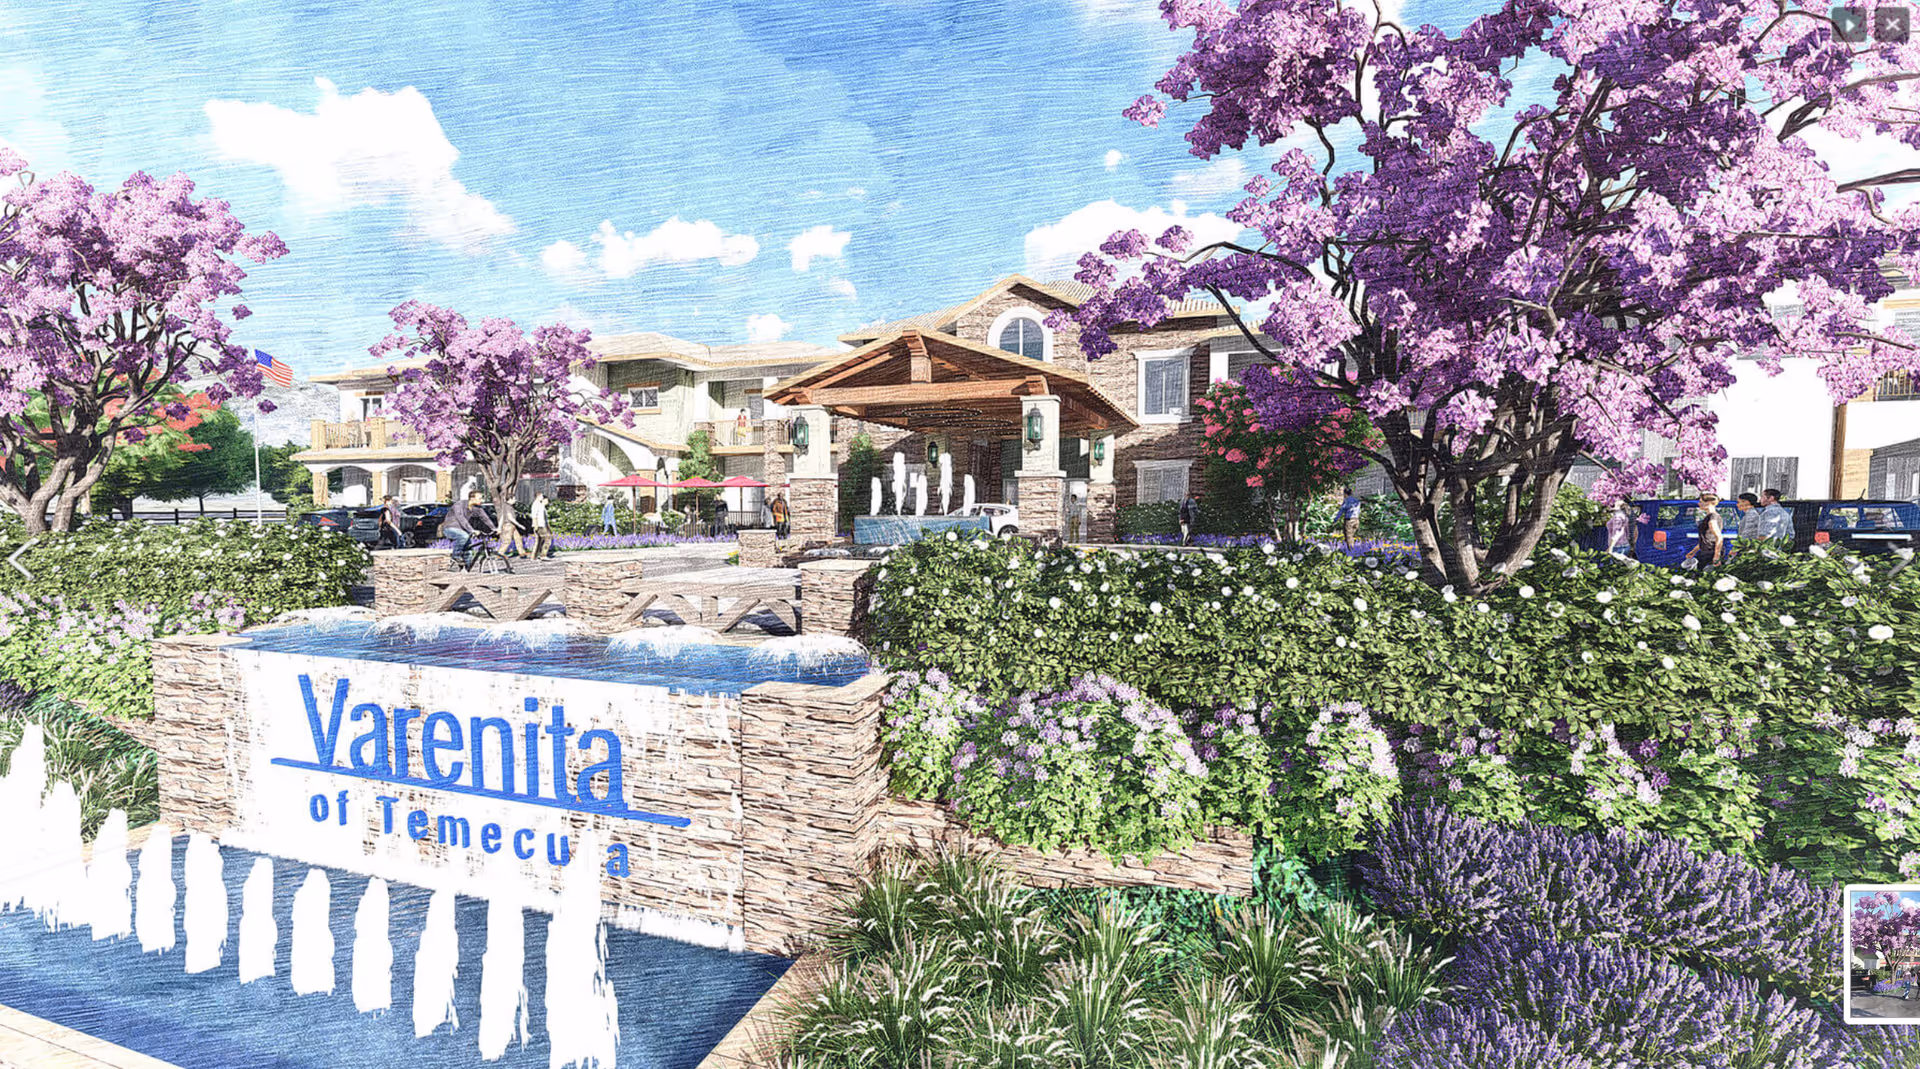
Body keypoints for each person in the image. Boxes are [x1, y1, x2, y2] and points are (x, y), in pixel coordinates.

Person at [443, 490, 496, 567]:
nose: (481, 500)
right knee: (464, 536)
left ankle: (466, 570)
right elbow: (461, 519)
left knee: (469, 552)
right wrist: (472, 530)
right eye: (479, 498)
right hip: (450, 528)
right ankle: (455, 555)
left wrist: (494, 529)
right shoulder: (459, 505)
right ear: (472, 498)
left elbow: (485, 518)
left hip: (463, 530)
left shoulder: (477, 508)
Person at [1682, 492, 1725, 568]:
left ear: (1708, 503)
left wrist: (1716, 556)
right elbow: (1707, 538)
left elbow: (1719, 537)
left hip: (1710, 553)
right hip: (1706, 551)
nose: (1699, 504)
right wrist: (1693, 551)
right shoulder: (1711, 516)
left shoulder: (1712, 517)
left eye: (1701, 502)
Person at [531, 492, 553, 560]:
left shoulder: (540, 505)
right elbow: (534, 516)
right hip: (539, 525)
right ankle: (543, 555)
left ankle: (534, 556)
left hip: (542, 524)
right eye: (541, 496)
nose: (542, 497)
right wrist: (535, 525)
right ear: (539, 496)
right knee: (547, 538)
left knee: (539, 541)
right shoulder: (536, 504)